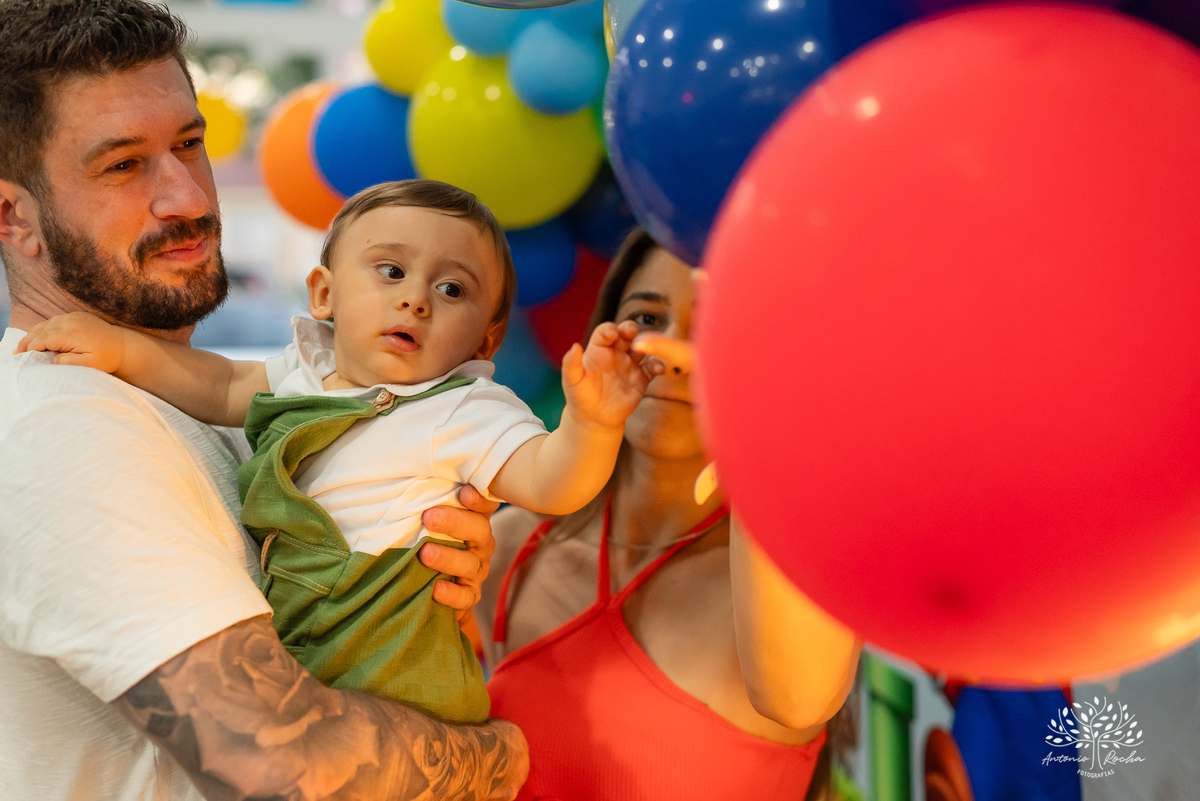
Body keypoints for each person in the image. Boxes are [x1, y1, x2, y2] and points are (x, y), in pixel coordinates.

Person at [0, 2, 526, 799]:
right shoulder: (65, 424)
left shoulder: (183, 403)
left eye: (188, 143)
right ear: (13, 217)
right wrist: (504, 755)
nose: (185, 197)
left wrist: (405, 551)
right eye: (122, 166)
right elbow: (286, 769)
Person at [18, 178, 652, 725]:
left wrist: (593, 422)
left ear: (488, 336)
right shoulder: (305, 371)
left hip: (388, 651)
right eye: (390, 271)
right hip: (299, 636)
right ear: (324, 294)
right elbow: (220, 384)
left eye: (453, 289)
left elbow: (553, 483)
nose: (417, 299)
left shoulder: (462, 409)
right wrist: (125, 352)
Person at [477, 227, 864, 800]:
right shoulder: (509, 543)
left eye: (717, 329)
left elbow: (800, 698)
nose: (669, 353)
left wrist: (753, 425)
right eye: (648, 320)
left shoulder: (788, 568)